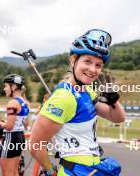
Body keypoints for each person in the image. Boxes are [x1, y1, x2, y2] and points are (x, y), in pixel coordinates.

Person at [30, 29, 125, 176]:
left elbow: (118, 118)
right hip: (74, 171)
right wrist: (51, 171)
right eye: (87, 61)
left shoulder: (87, 91)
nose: (93, 69)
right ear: (73, 60)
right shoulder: (64, 97)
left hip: (93, 169)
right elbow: (35, 144)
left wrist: (113, 99)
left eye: (98, 65)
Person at [0, 74, 29, 176]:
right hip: (20, 137)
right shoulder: (25, 102)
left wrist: (1, 123)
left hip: (11, 137)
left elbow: (9, 126)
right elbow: (26, 124)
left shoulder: (12, 103)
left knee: (7, 173)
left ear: (14, 87)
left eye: (6, 86)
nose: (4, 89)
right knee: (15, 172)